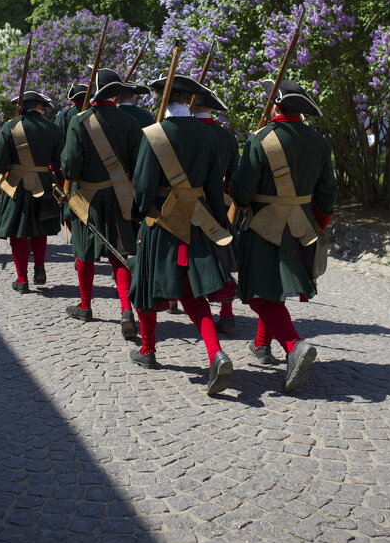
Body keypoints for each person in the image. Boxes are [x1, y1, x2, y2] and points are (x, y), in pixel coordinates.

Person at [128, 74, 235, 396]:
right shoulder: (208, 135)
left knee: (145, 288)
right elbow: (215, 185)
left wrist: (139, 213)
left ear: (163, 98)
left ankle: (148, 351)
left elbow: (143, 186)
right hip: (199, 222)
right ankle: (216, 353)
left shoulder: (154, 135)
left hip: (161, 222)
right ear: (188, 100)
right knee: (192, 296)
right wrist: (218, 221)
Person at [230, 79, 337, 394]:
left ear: (275, 106)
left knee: (256, 293)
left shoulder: (261, 139)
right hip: (301, 228)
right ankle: (262, 345)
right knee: (270, 290)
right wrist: (315, 225)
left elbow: (241, 191)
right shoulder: (319, 142)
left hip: (265, 228)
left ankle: (294, 346)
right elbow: (327, 193)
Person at [61, 68, 142, 339]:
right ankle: (125, 310)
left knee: (84, 252)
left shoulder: (80, 121)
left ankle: (85, 305)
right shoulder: (129, 122)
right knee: (119, 253)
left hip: (88, 197)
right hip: (121, 196)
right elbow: (136, 163)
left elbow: (70, 166)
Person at [0, 90, 63, 292]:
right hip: (43, 182)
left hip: (17, 186)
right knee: (40, 229)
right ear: (39, 106)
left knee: (18, 233)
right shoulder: (52, 128)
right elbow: (58, 163)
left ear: (21, 107)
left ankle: (22, 279)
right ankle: (39, 267)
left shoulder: (10, 127)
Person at [191, 89, 239, 333]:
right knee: (222, 256)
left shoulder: (188, 132)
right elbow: (233, 178)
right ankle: (227, 313)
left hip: (188, 202)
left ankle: (175, 301)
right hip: (219, 202)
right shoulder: (228, 137)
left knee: (187, 256)